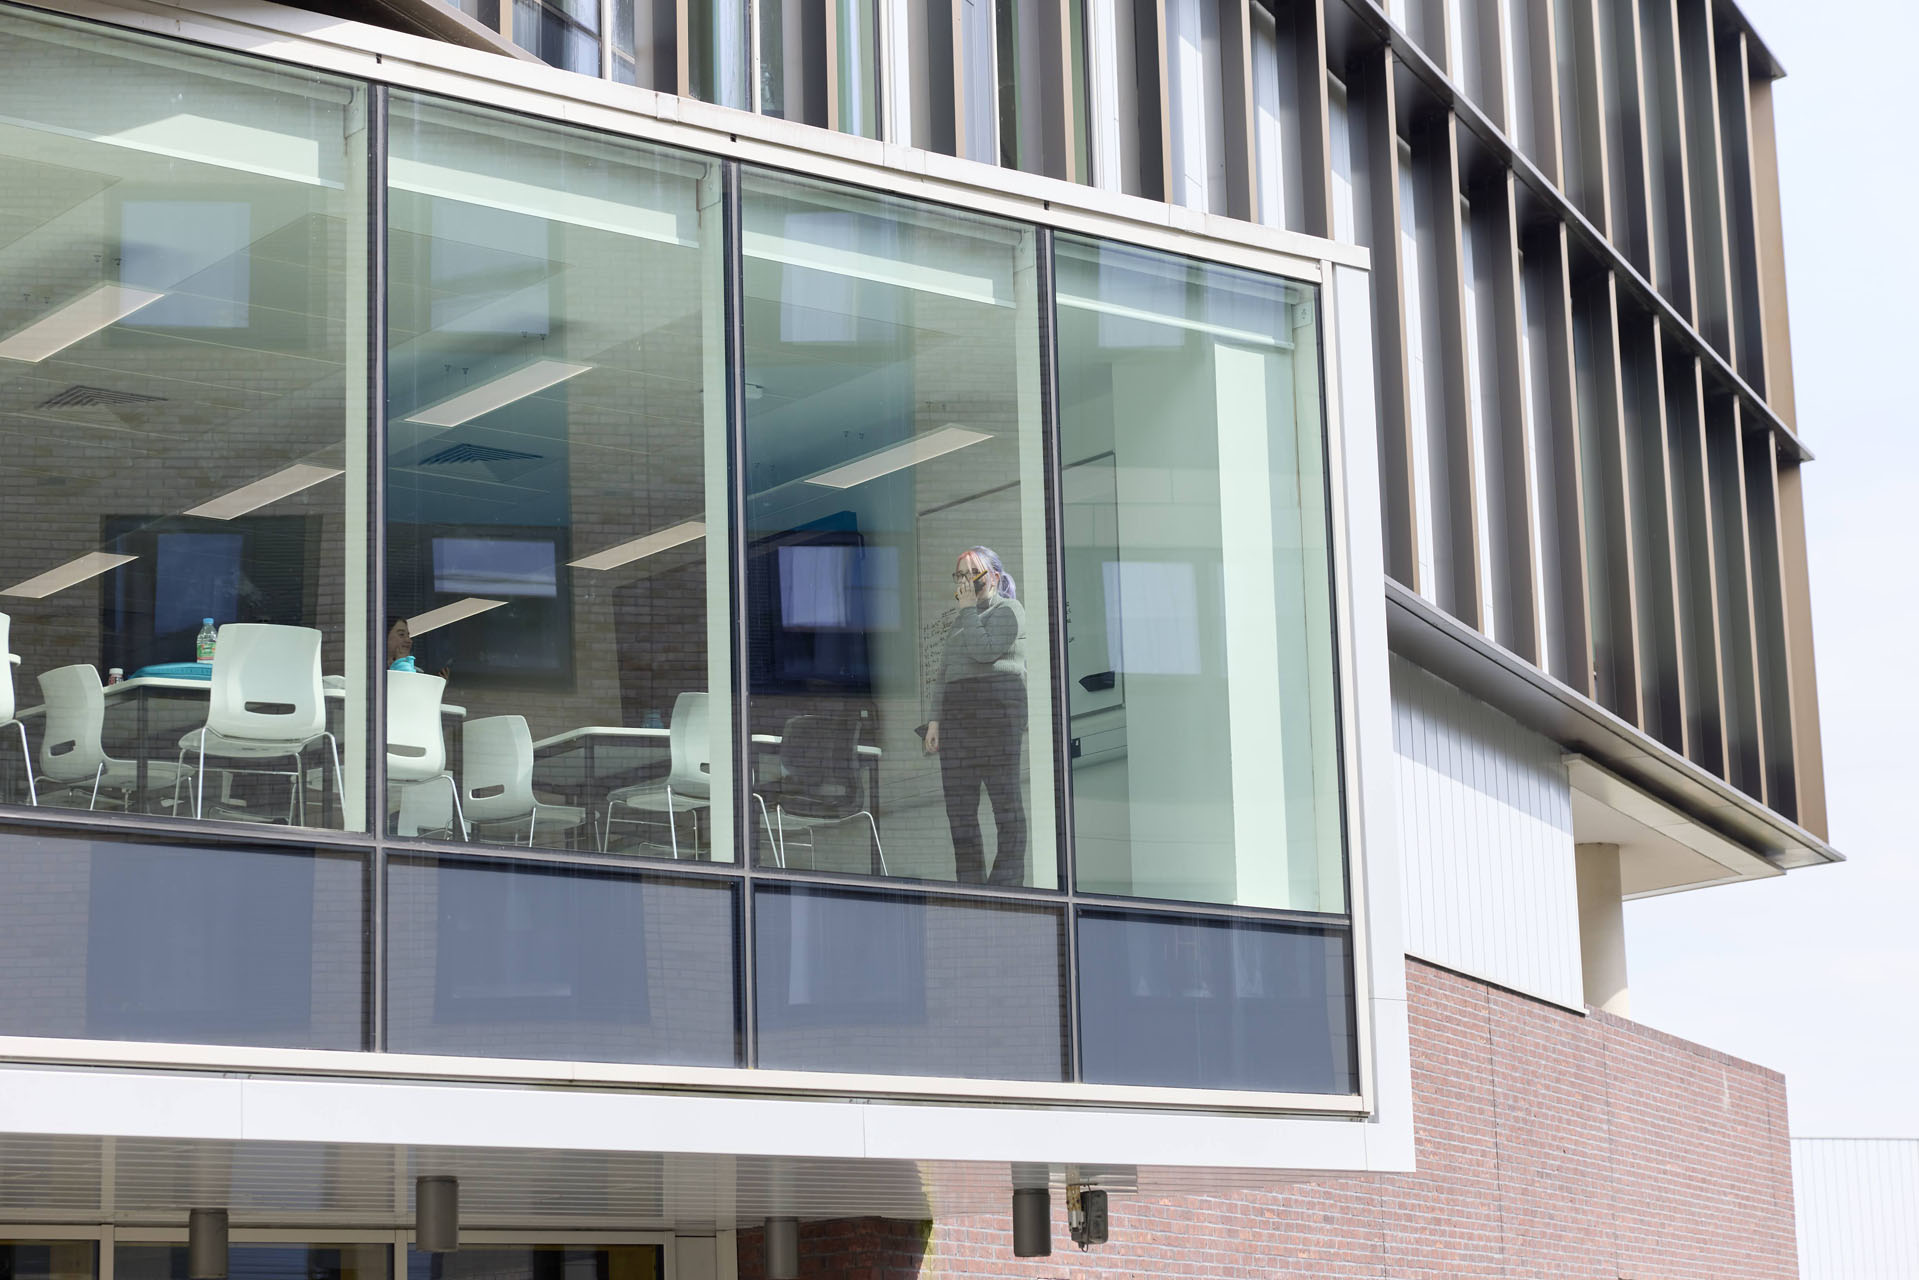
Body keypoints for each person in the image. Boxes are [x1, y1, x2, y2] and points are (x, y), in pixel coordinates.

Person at [925, 547, 1028, 886]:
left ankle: (1005, 889)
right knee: (960, 814)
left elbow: (984, 650)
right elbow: (943, 674)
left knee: (1006, 810)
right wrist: (935, 721)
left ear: (995, 577)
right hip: (958, 719)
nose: (966, 581)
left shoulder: (1010, 610)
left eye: (973, 573)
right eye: (960, 575)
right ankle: (971, 889)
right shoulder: (960, 622)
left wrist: (968, 611)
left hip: (995, 717)